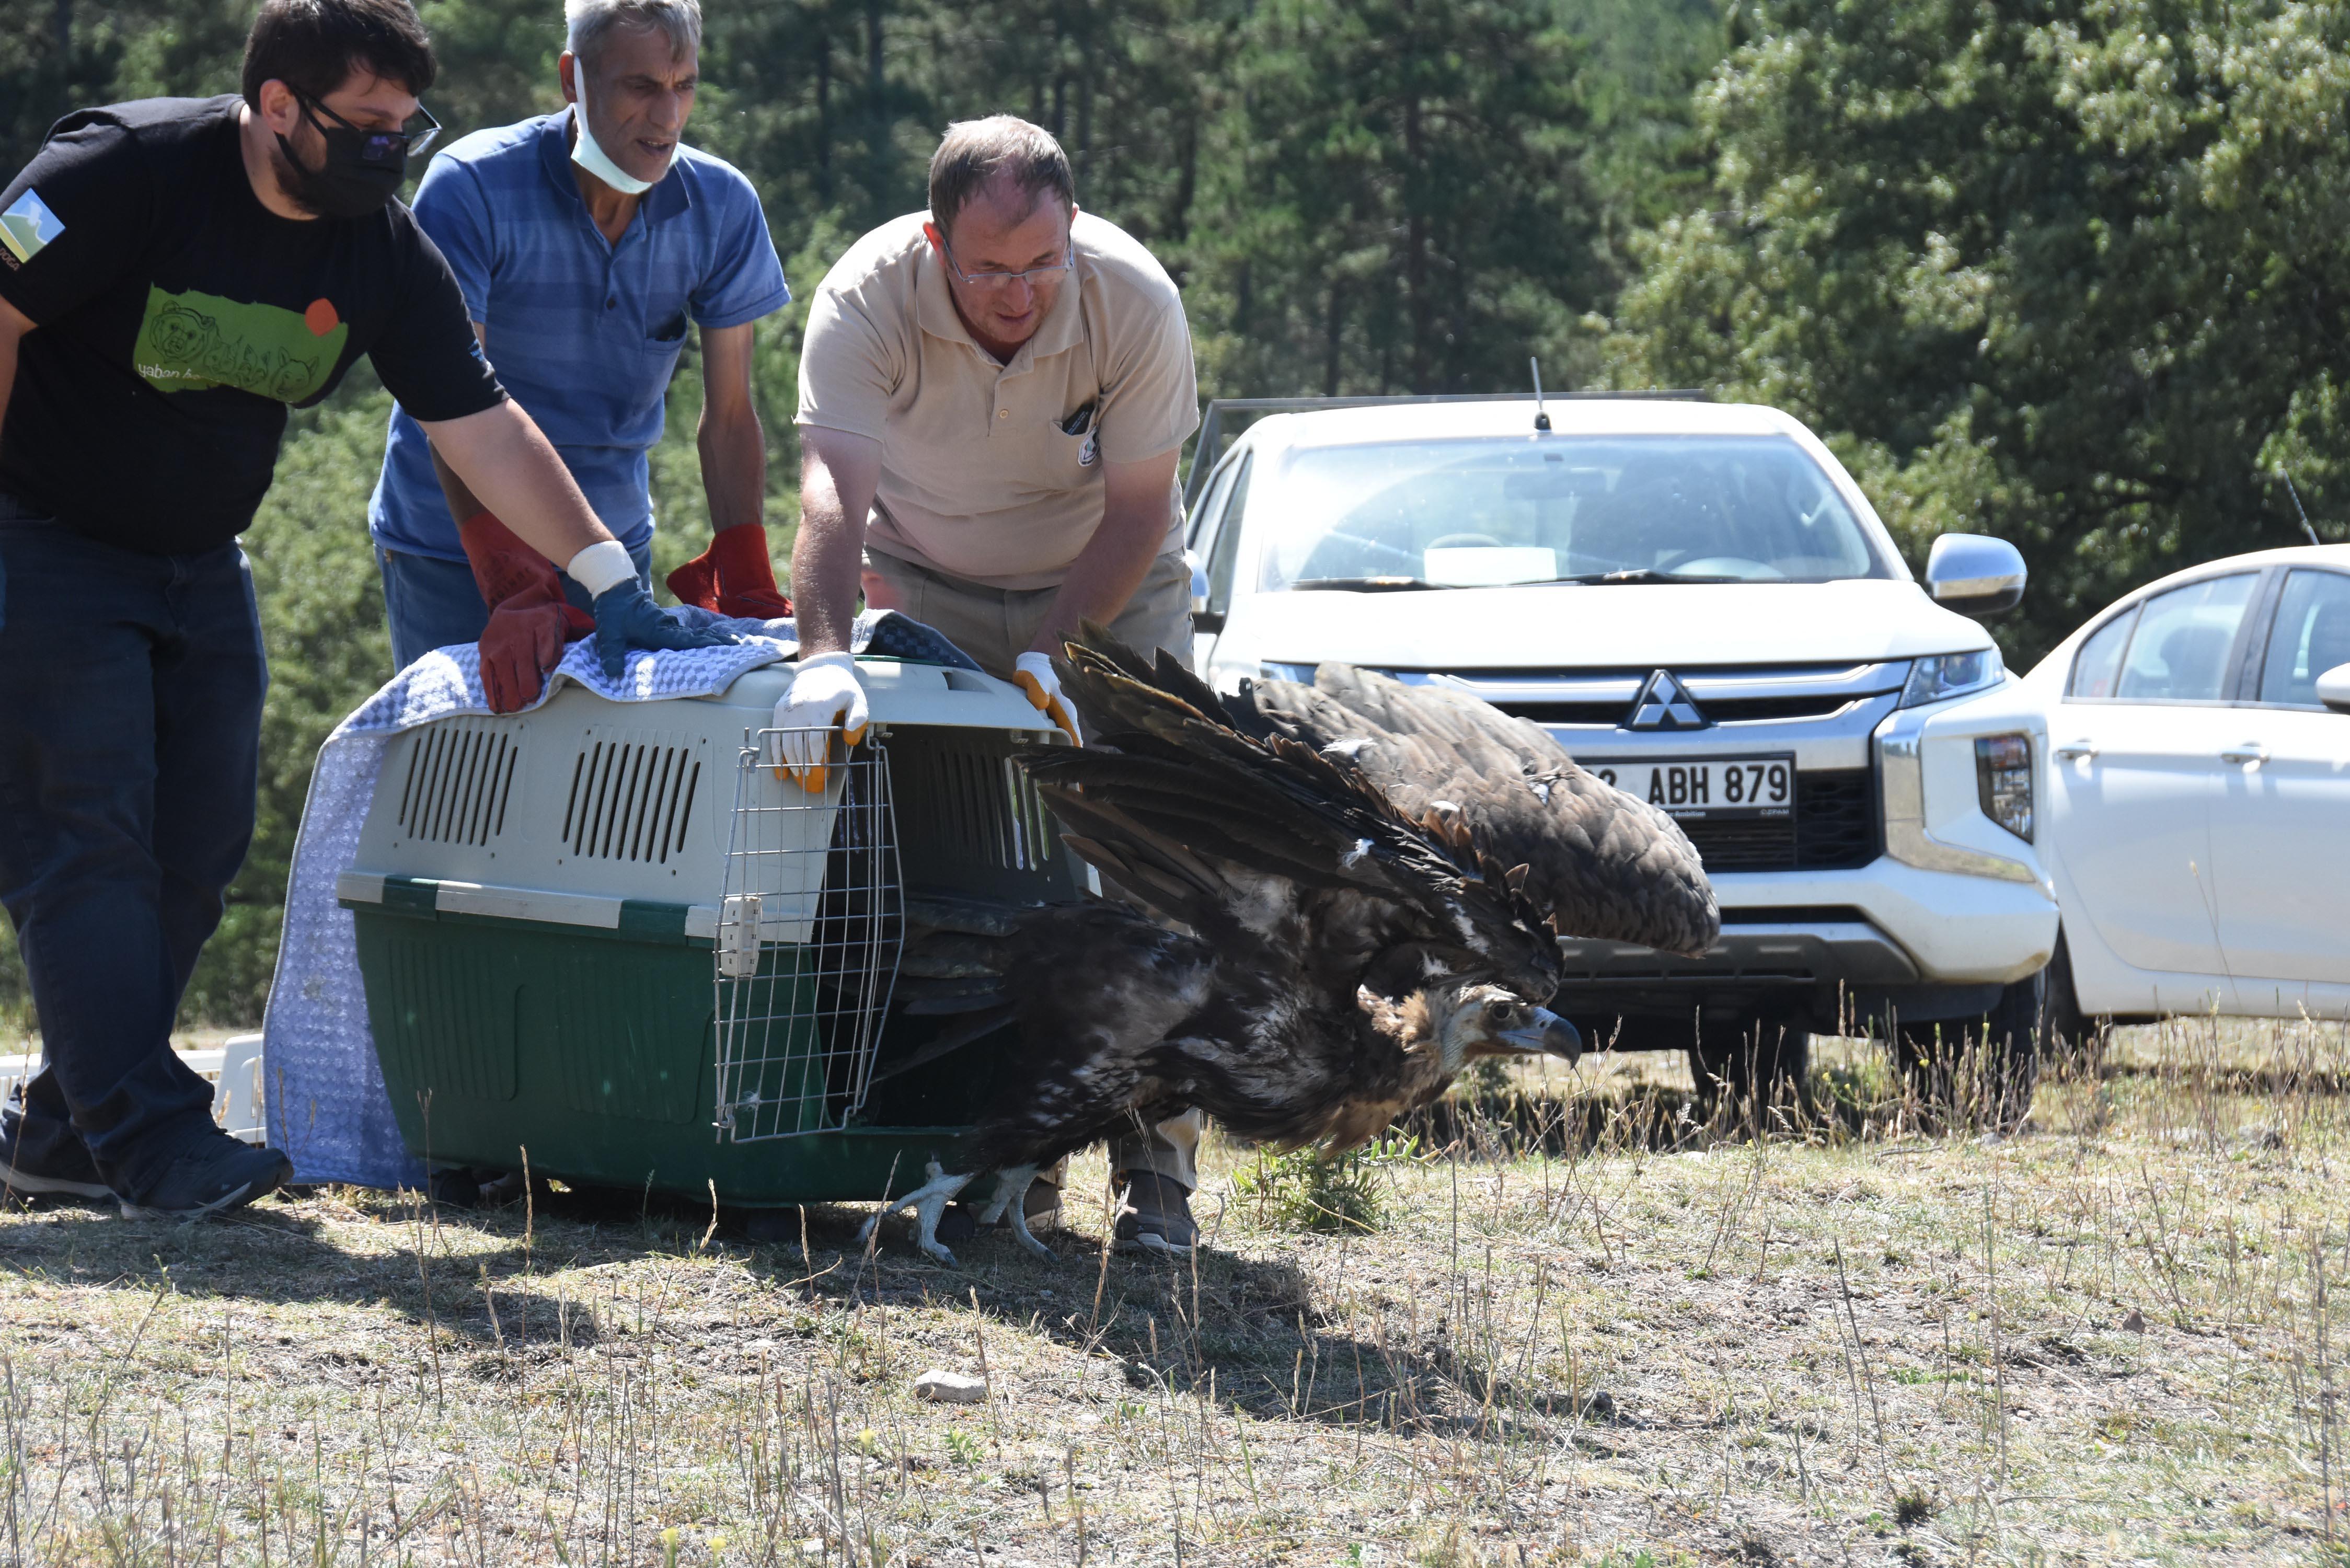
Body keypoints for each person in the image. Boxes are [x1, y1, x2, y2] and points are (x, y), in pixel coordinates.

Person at [0, 0, 731, 1218]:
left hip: (197, 556)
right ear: (277, 106)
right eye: (365, 128)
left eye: (407, 128)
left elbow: (478, 421)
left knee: (198, 844)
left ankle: (66, 1131)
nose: (391, 153)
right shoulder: (122, 172)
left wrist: (607, 578)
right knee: (89, 832)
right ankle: (152, 1138)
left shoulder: (375, 248)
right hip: (48, 541)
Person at [782, 116, 1205, 1253]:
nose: (1018, 294)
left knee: (1148, 870)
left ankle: (1155, 1173)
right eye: (988, 270)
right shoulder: (865, 298)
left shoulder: (1136, 300)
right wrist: (823, 660)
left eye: (1041, 265)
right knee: (955, 874)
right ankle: (994, 1156)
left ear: (1073, 234)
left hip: (1111, 585)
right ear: (934, 244)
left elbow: (1139, 511)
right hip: (929, 579)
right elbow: (832, 494)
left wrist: (1054, 649)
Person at [368, 0, 792, 710]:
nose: (667, 117)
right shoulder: (471, 186)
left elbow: (729, 418)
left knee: (605, 794)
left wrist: (745, 568)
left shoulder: (723, 205)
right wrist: (511, 579)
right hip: (454, 549)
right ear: (574, 77)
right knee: (466, 790)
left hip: (613, 550)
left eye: (683, 85)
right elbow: (448, 405)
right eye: (640, 87)